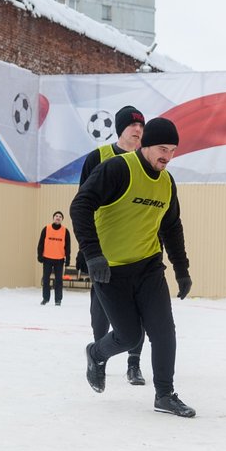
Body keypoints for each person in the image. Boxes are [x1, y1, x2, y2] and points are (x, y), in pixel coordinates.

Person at [70, 117, 195, 417]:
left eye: (173, 150)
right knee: (129, 337)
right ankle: (96, 354)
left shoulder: (167, 182)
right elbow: (80, 205)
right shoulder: (118, 168)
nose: (168, 155)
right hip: (110, 270)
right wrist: (93, 254)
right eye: (162, 148)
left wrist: (181, 269)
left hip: (149, 266)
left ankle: (165, 394)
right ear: (147, 144)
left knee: (164, 331)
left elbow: (172, 227)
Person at [78, 105, 148, 385]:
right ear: (120, 128)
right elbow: (81, 205)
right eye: (133, 125)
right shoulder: (99, 157)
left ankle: (134, 363)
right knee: (100, 310)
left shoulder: (147, 160)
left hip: (138, 248)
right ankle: (99, 357)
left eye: (142, 127)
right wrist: (86, 249)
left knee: (139, 308)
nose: (138, 130)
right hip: (103, 249)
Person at [37, 211, 71, 306]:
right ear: (53, 218)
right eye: (56, 216)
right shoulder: (46, 229)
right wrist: (39, 255)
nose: (58, 217)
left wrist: (67, 259)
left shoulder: (65, 231)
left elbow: (67, 247)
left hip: (59, 259)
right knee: (46, 279)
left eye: (60, 216)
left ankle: (58, 300)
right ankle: (45, 298)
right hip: (47, 258)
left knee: (59, 280)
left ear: (62, 219)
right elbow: (41, 244)